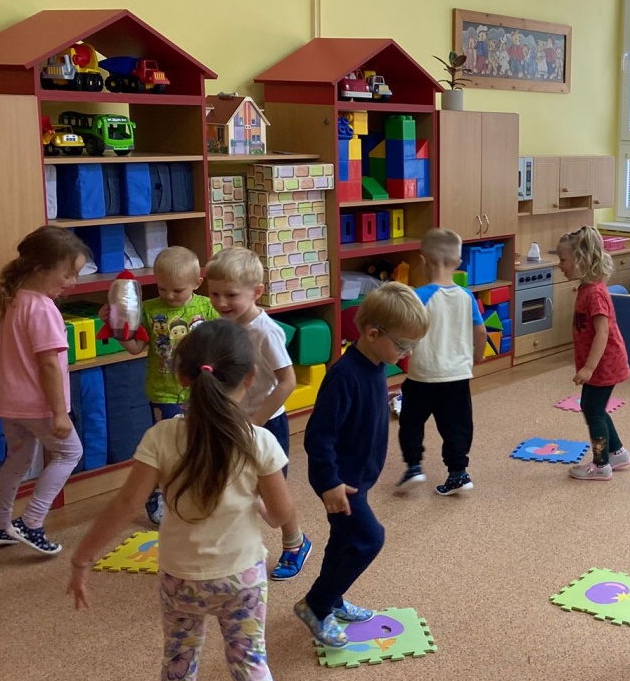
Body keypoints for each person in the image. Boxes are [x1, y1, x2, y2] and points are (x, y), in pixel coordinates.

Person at [68, 319, 293, 681]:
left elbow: (126, 505)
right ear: (250, 378)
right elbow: (280, 515)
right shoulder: (259, 441)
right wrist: (257, 504)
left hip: (182, 579)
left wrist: (83, 559)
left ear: (182, 377)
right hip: (243, 578)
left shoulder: (162, 437)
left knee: (179, 657)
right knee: (249, 661)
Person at [295, 283, 428, 648]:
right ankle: (316, 605)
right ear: (372, 334)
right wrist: (329, 483)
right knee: (369, 539)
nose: (407, 352)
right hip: (341, 481)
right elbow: (318, 436)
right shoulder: (344, 375)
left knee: (343, 539)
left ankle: (332, 599)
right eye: (403, 344)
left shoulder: (376, 366)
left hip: (358, 476)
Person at [0, 226, 91, 555]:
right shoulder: (43, 309)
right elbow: (48, 366)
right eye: (67, 274)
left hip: (8, 402)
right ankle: (32, 522)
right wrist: (59, 413)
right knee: (69, 453)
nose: (72, 282)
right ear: (40, 268)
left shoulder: (15, 299)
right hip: (36, 405)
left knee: (18, 459)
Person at [203, 248, 311, 580]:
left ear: (256, 292)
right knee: (230, 485)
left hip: (265, 423)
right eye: (214, 294)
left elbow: (287, 381)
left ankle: (295, 543)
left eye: (230, 295)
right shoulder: (223, 325)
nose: (221, 302)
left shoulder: (265, 331)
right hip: (232, 420)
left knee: (272, 491)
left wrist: (256, 422)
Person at [116, 246, 217, 525]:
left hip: (200, 392)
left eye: (177, 290)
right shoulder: (149, 310)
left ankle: (194, 493)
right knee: (169, 447)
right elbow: (135, 348)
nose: (169, 296)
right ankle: (157, 493)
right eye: (162, 289)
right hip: (164, 392)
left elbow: (222, 344)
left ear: (197, 283)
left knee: (198, 445)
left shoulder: (207, 307)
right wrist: (117, 328)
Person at [395, 229, 487, 496]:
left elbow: (405, 331)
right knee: (458, 425)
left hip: (422, 375)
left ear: (423, 261)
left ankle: (414, 466)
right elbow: (480, 332)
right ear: (458, 263)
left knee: (411, 422)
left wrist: (402, 351)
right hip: (457, 376)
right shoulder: (467, 296)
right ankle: (458, 473)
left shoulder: (417, 296)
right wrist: (478, 355)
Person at [557, 226, 630, 481]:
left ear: (581, 260)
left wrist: (589, 368)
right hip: (600, 362)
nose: (560, 265)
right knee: (594, 407)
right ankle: (616, 452)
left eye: (563, 260)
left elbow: (603, 332)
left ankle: (601, 465)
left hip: (604, 364)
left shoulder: (596, 294)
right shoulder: (587, 289)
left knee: (593, 409)